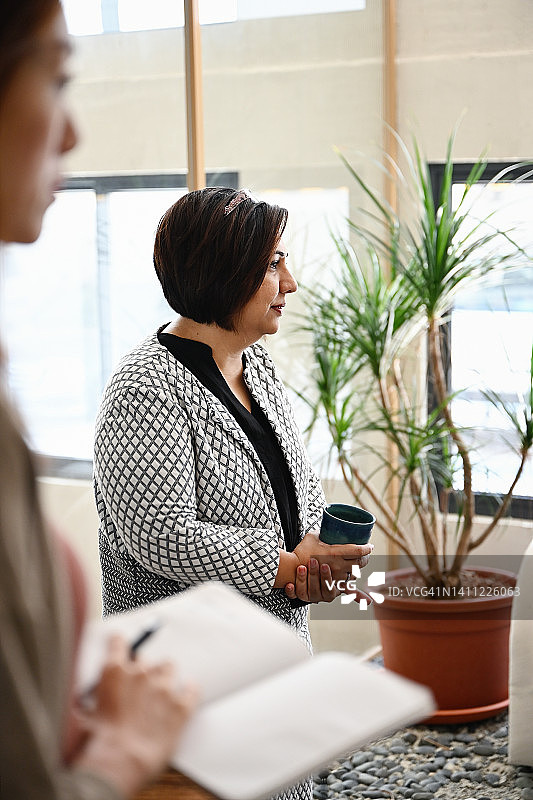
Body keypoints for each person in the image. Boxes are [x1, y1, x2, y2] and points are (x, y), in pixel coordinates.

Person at [0, 2, 197, 797]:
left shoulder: (268, 379)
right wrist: (118, 756)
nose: (73, 134)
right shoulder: (146, 383)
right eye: (57, 76)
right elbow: (161, 533)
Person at [94, 187, 373, 631]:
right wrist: (284, 568)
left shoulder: (256, 363)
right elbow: (162, 536)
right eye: (271, 264)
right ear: (222, 274)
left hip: (273, 647)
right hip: (183, 667)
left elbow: (297, 486)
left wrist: (315, 562)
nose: (290, 282)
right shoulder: (144, 386)